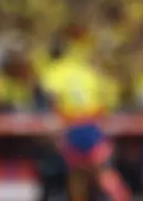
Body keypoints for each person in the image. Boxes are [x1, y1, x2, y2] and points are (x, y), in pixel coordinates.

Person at [38, 41, 130, 201]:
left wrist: (57, 129)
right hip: (92, 124)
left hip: (72, 125)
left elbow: (52, 99)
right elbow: (104, 100)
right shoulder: (88, 71)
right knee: (102, 170)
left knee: (77, 174)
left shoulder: (55, 71)